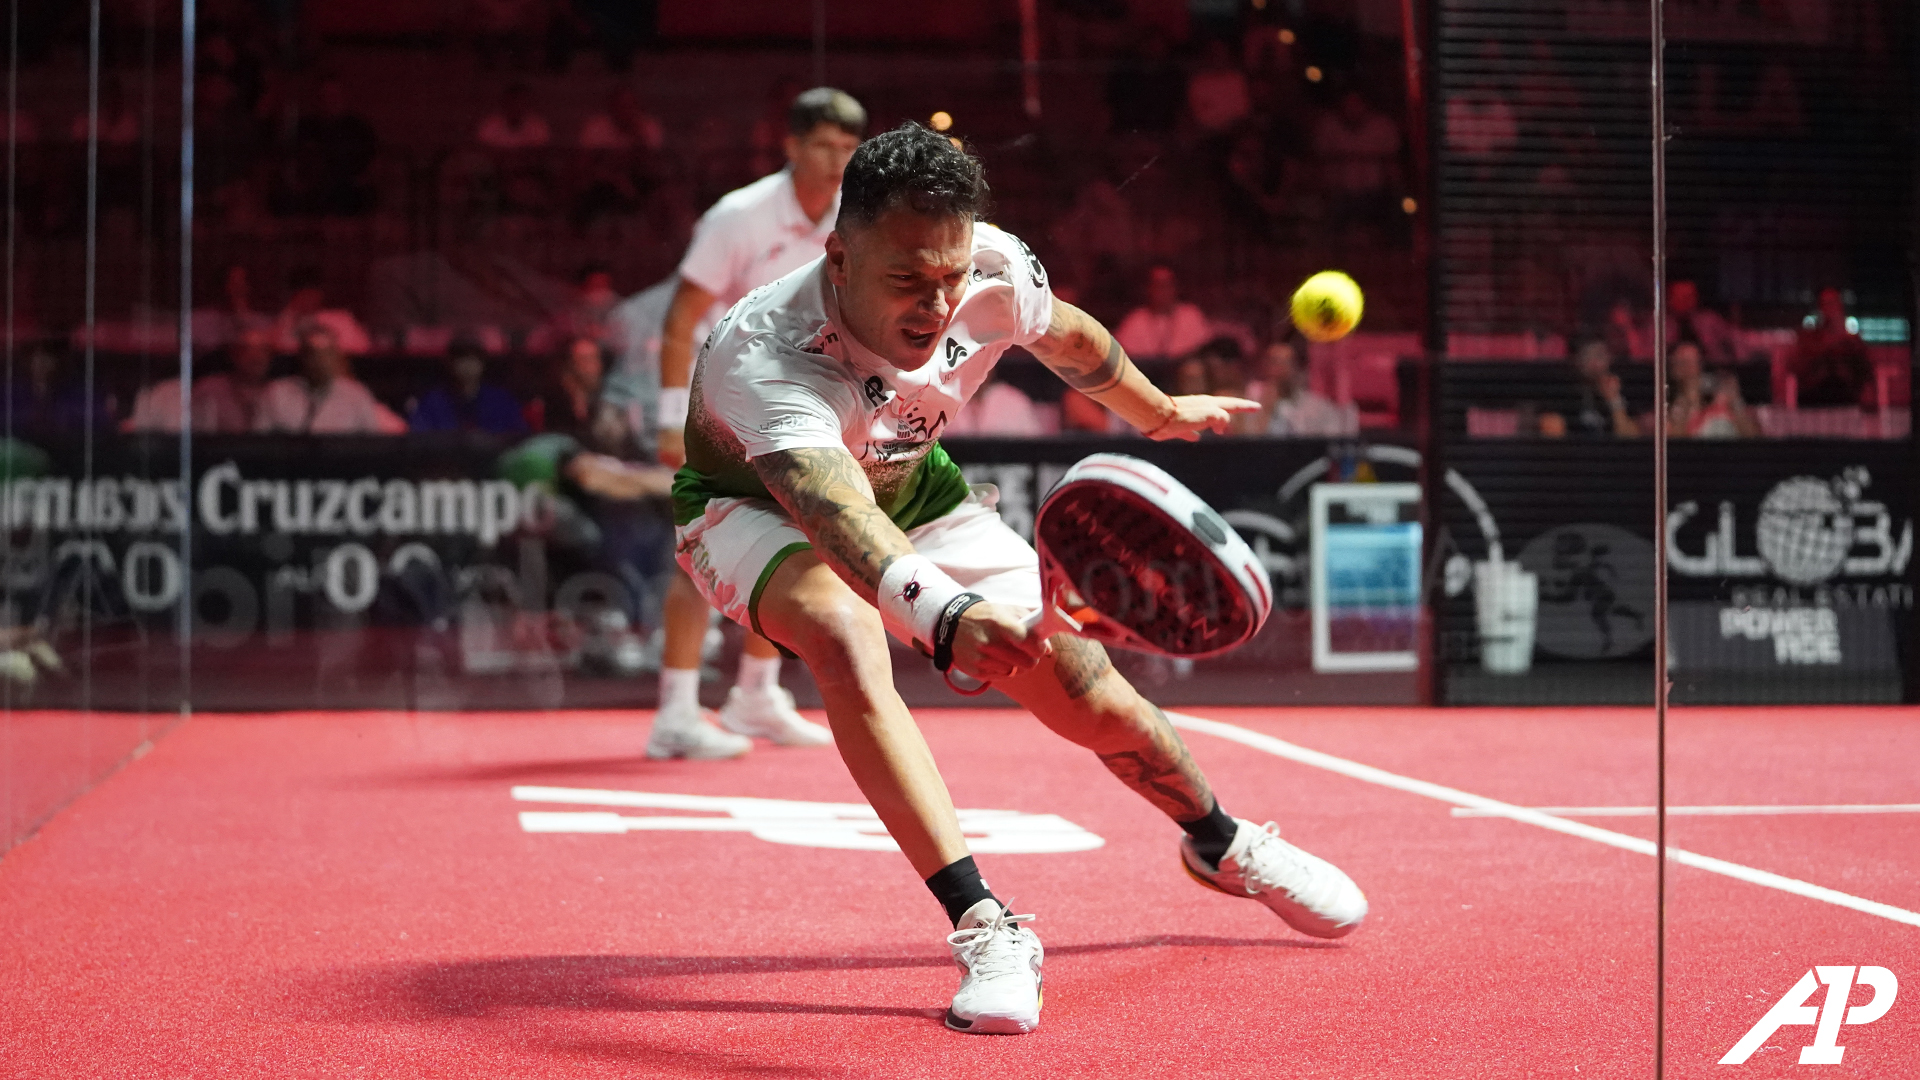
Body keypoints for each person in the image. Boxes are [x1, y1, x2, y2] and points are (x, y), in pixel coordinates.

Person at [674, 123, 1368, 1033]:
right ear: (838, 257)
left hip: (913, 482)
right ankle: (984, 923)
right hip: (748, 510)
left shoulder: (991, 269)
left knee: (1086, 690)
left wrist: (1159, 412)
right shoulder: (768, 354)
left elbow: (1071, 338)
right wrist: (948, 615)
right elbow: (836, 519)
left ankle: (1220, 840)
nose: (936, 306)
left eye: (950, 277)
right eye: (908, 280)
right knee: (844, 634)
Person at [649, 87, 868, 760]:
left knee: (795, 547)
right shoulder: (737, 216)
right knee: (700, 552)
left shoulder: (853, 218)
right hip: (719, 402)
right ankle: (676, 713)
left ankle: (754, 695)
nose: (838, 160)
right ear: (792, 145)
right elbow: (683, 315)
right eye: (826, 145)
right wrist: (666, 417)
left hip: (806, 408)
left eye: (849, 148)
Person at [255, 322, 407, 434]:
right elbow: (258, 446)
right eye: (312, 353)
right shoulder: (276, 393)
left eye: (326, 354)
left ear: (337, 357)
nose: (319, 361)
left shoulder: (355, 395)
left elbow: (375, 444)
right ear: (301, 356)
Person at [126, 326, 277, 433]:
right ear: (233, 355)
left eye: (263, 351)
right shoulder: (208, 388)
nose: (256, 358)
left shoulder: (281, 392)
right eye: (247, 350)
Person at [408, 339, 528, 434]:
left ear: (482, 363)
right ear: (449, 363)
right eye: (461, 358)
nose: (467, 365)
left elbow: (520, 438)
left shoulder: (501, 401)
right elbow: (419, 438)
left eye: (473, 358)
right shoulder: (433, 402)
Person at [1788, 287, 1875, 408]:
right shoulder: (1808, 337)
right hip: (1814, 398)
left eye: (1834, 303)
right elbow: (1799, 365)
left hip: (1847, 399)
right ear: (1819, 308)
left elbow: (1865, 369)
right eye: (1825, 304)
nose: (1830, 308)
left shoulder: (1851, 340)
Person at [1252, 335, 1355, 436]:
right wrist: (1266, 408)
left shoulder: (1316, 406)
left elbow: (1332, 439)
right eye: (1275, 363)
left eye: (1287, 363)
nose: (1281, 370)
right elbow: (1249, 440)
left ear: (1296, 368)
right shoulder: (1251, 399)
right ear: (1265, 366)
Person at [1114, 265, 1212, 362]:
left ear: (1175, 287)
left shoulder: (1191, 315)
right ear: (1149, 288)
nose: (1162, 290)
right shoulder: (1135, 319)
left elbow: (1203, 348)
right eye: (1157, 285)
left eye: (1166, 285)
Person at [1666, 341, 1758, 439]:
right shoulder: (1667, 411)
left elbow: (1753, 437)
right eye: (1684, 363)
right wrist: (1687, 403)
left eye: (1695, 362)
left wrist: (1735, 402)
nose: (1691, 369)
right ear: (1673, 369)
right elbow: (1674, 446)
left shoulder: (1724, 400)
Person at [273, 268, 372, 355]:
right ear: (293, 296)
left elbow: (362, 349)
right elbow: (282, 350)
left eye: (312, 294)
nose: (308, 300)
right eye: (303, 294)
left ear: (320, 294)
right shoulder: (285, 322)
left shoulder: (342, 320)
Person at [1560, 336, 1639, 437]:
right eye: (1587, 356)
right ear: (1576, 361)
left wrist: (1614, 400)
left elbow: (1629, 437)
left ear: (1609, 358)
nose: (1594, 363)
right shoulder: (1566, 394)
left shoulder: (1623, 390)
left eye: (1599, 356)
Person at [1665, 280, 1734, 364]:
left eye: (1690, 297)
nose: (1686, 301)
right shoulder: (1658, 324)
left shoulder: (1710, 320)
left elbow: (1733, 338)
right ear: (1670, 299)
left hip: (1710, 368)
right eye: (1682, 297)